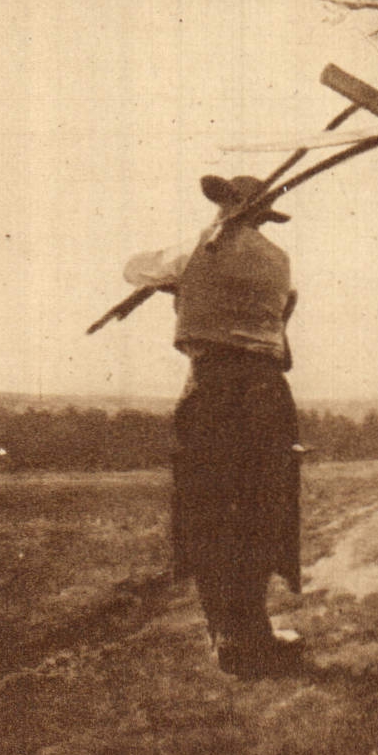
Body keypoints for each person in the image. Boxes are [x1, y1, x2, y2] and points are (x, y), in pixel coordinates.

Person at [122, 174, 306, 678]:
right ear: (262, 216)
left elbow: (132, 269)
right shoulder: (278, 261)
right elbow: (281, 326)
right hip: (268, 395)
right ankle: (256, 632)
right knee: (259, 509)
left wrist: (179, 282)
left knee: (211, 510)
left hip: (212, 392)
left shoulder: (194, 251)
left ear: (225, 207)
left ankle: (230, 636)